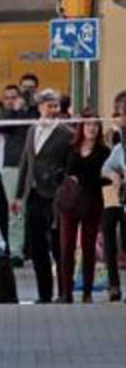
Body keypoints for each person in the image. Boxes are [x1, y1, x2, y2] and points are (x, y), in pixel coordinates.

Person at [12, 89, 73, 304]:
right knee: (37, 248)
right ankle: (44, 294)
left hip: (54, 196)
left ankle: (65, 292)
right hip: (34, 194)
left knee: (58, 245)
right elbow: (25, 162)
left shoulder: (67, 133)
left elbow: (69, 166)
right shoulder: (32, 129)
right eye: (50, 105)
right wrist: (19, 195)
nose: (54, 110)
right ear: (40, 107)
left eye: (57, 105)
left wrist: (60, 185)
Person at [58, 111, 110, 303]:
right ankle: (66, 292)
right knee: (66, 248)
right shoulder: (71, 148)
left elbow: (107, 177)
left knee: (89, 248)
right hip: (69, 202)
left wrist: (83, 179)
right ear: (81, 126)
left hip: (92, 203)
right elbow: (65, 171)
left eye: (96, 125)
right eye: (88, 124)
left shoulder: (104, 151)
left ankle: (87, 293)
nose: (92, 128)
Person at [0, 84, 37, 265]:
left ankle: (32, 249)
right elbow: (6, 127)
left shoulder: (31, 113)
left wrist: (23, 109)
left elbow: (31, 122)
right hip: (12, 167)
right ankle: (16, 252)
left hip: (33, 167)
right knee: (16, 211)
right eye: (7, 98)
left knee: (34, 211)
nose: (11, 101)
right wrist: (16, 111)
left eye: (14, 97)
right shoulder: (4, 115)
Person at [103, 91, 126, 302]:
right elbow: (106, 166)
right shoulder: (114, 137)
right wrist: (114, 173)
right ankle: (113, 285)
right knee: (110, 239)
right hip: (113, 197)